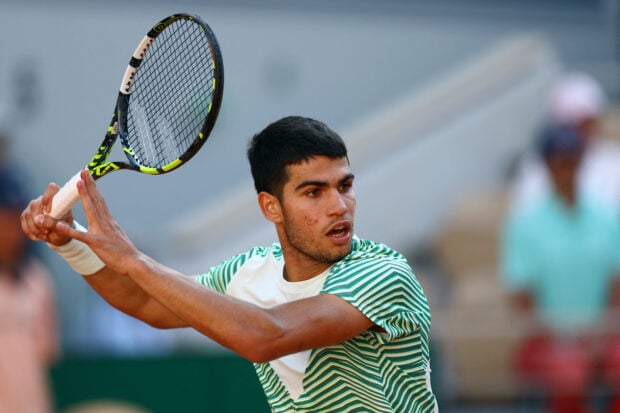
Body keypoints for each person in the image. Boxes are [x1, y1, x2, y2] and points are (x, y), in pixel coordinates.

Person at [21, 116, 437, 412]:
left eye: (345, 186)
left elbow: (267, 337)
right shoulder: (247, 272)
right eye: (314, 193)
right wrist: (69, 242)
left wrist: (134, 260)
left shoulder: (384, 273)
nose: (339, 206)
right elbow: (147, 304)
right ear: (271, 207)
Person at [500, 124, 620, 413]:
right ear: (546, 165)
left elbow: (617, 280)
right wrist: (561, 339)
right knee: (569, 373)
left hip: (604, 331)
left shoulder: (606, 215)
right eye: (557, 159)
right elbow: (522, 294)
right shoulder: (524, 223)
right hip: (548, 338)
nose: (565, 166)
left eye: (571, 157)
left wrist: (601, 333)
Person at [510, 71, 620, 213]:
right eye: (576, 124)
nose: (584, 131)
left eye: (589, 123)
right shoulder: (537, 167)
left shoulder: (613, 159)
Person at [0, 166, 60, 413]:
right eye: (4, 218)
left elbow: (47, 353)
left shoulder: (39, 280)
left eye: (16, 218)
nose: (11, 230)